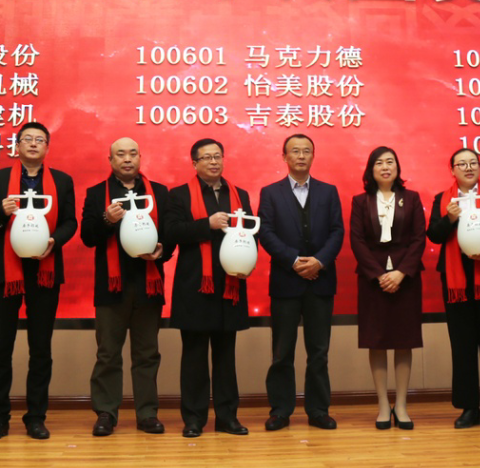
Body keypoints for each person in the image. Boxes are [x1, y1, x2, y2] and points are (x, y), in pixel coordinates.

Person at [0, 122, 76, 441]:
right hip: (5, 272)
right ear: (17, 145)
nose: (33, 144)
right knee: (0, 347)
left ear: (47, 147)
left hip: (44, 269)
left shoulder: (62, 180)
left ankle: (36, 417)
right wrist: (1, 212)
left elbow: (70, 222)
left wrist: (54, 240)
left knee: (41, 347)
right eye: (27, 139)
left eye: (40, 140)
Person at [80, 137, 173, 437]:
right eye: (120, 154)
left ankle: (147, 414)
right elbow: (87, 236)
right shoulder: (97, 194)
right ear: (111, 160)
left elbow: (169, 233)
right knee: (108, 353)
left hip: (149, 284)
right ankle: (106, 413)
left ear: (140, 157)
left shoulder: (158, 192)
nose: (127, 159)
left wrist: (163, 250)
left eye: (133, 153)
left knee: (147, 353)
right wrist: (106, 219)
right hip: (111, 286)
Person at [164, 138, 255, 437]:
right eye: (207, 157)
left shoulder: (239, 194)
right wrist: (207, 224)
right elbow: (171, 232)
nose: (214, 162)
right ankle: (193, 419)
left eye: (218, 156)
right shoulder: (178, 195)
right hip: (195, 286)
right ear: (194, 163)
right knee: (194, 357)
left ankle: (228, 418)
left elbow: (250, 233)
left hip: (230, 285)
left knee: (226, 357)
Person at [259, 133, 344, 431]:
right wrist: (294, 261)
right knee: (282, 351)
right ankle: (280, 411)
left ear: (313, 156)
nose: (301, 155)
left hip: (321, 281)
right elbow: (266, 232)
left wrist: (319, 261)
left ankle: (318, 410)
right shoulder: (270, 193)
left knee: (318, 352)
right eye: (295, 151)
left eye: (307, 150)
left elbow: (337, 231)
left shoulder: (328, 191)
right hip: (286, 281)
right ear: (284, 156)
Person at [427, 148, 480, 429]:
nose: (468, 167)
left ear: (479, 167)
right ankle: (468, 408)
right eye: (461, 164)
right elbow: (434, 235)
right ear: (452, 170)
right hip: (456, 281)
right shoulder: (443, 199)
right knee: (462, 345)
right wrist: (449, 218)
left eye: (473, 163)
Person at [348, 146, 424, 430]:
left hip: (406, 279)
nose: (385, 166)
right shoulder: (360, 201)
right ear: (371, 170)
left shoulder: (412, 198)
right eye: (379, 163)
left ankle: (401, 405)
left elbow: (418, 239)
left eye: (390, 162)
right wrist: (379, 275)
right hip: (373, 280)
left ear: (397, 168)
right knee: (376, 341)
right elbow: (357, 241)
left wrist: (401, 273)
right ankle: (382, 405)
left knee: (404, 341)